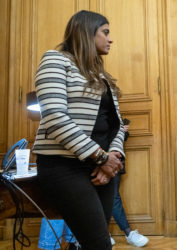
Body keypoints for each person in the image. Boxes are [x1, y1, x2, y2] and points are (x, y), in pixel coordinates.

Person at [33, 10, 125, 250]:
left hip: (100, 167)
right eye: (105, 32)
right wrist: (101, 157)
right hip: (64, 166)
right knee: (99, 244)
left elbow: (116, 125)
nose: (110, 38)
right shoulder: (55, 59)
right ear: (87, 33)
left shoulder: (101, 75)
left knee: (93, 242)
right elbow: (54, 117)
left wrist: (112, 160)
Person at [109, 119, 148, 247]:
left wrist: (123, 132)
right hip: (95, 158)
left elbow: (120, 140)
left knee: (113, 196)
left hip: (115, 160)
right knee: (98, 197)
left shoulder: (116, 112)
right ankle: (108, 233)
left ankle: (128, 234)